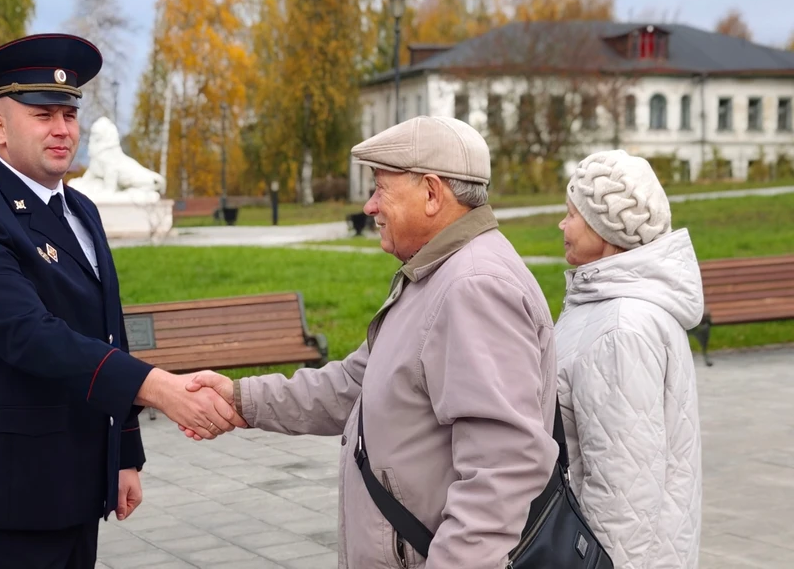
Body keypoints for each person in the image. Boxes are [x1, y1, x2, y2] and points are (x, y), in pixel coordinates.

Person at [184, 116, 560, 568]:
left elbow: (503, 469)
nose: (369, 206)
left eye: (381, 188)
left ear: (432, 193)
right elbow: (353, 384)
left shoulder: (473, 287)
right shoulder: (437, 273)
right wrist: (241, 399)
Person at [0, 33, 244, 569]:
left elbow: (106, 331)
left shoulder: (81, 210)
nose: (61, 130)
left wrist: (123, 455)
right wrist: (157, 387)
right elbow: (30, 336)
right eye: (42, 114)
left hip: (74, 485)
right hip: (3, 493)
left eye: (69, 115)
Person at [554, 149, 703, 569]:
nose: (562, 224)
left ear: (606, 227)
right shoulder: (606, 307)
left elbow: (625, 493)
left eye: (571, 214)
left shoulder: (621, 326)